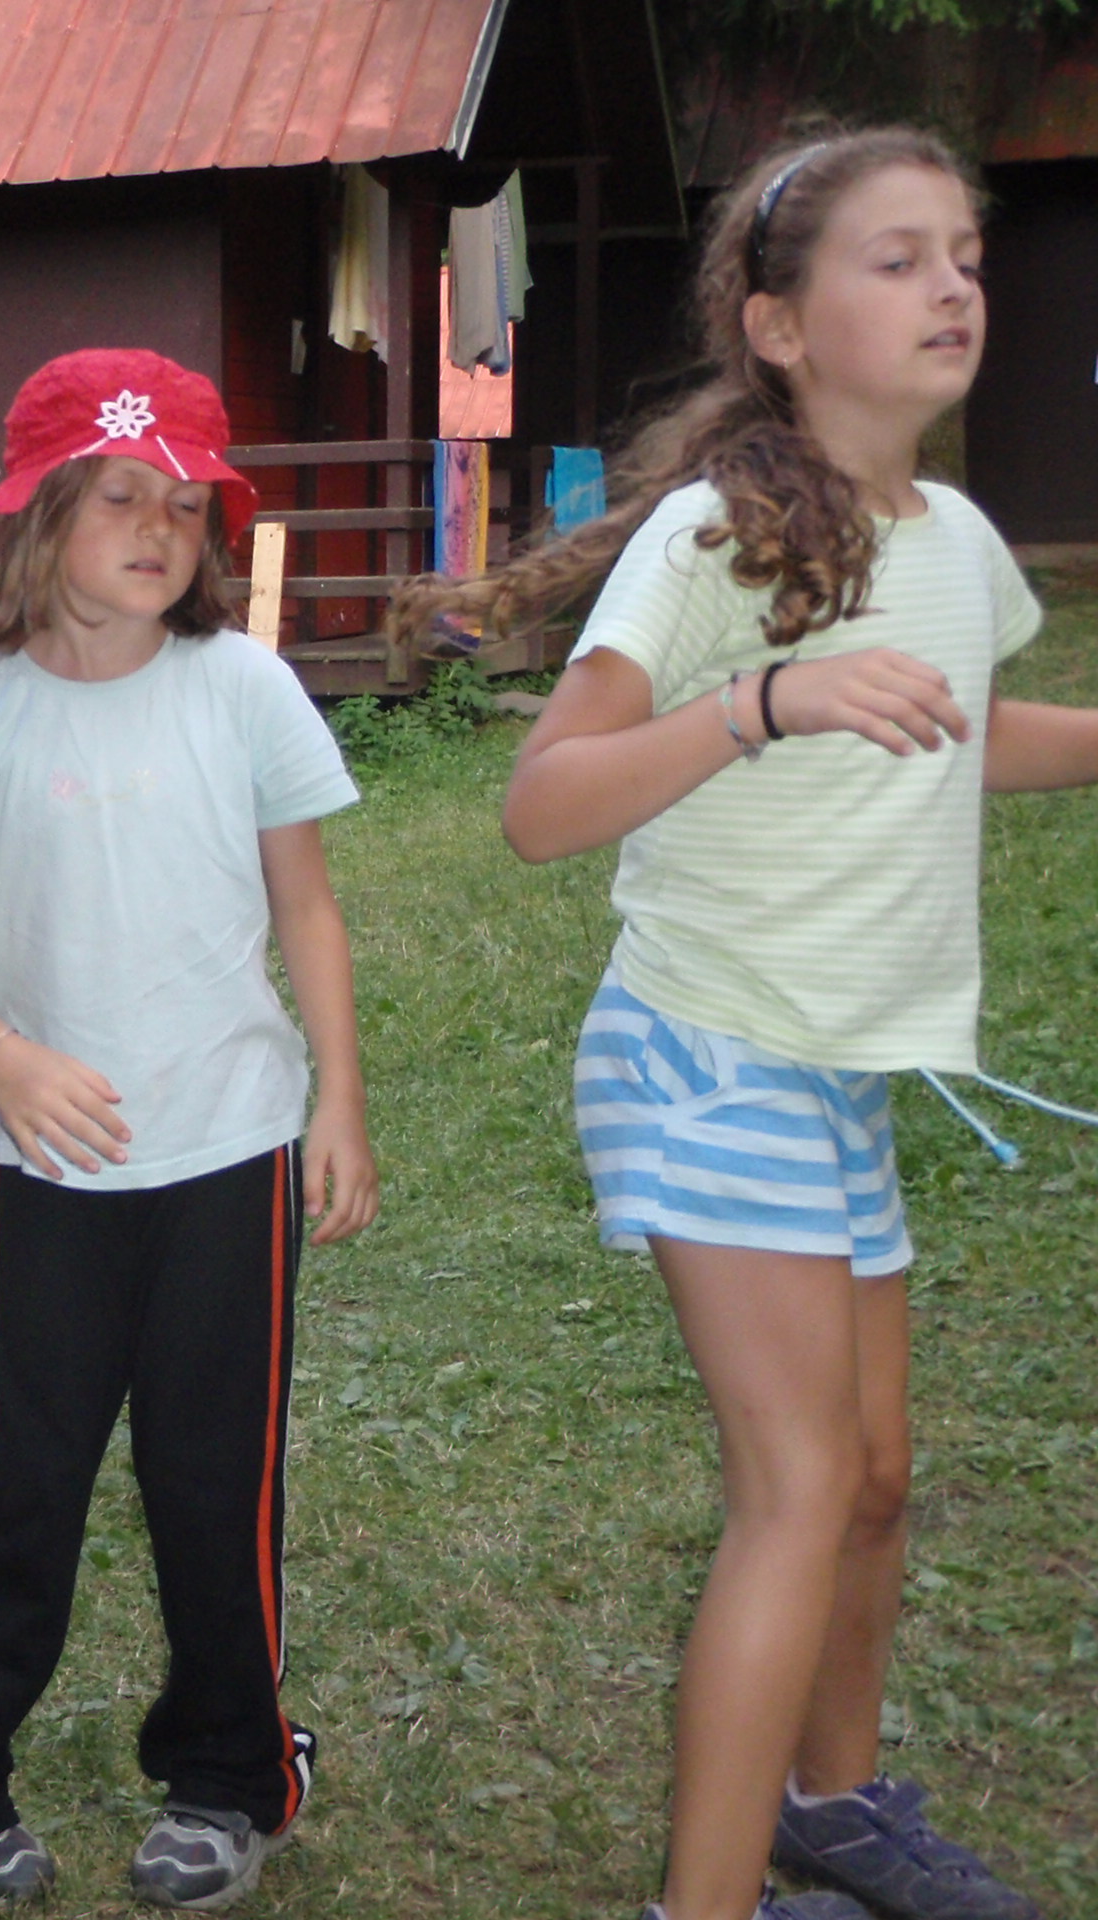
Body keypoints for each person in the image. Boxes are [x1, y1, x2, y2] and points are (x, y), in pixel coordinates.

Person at [413, 128, 1094, 1920]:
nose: (953, 287)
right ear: (780, 325)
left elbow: (959, 731)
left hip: (836, 1073)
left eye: (965, 255)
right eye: (898, 258)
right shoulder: (717, 539)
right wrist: (770, 702)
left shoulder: (951, 539)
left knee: (874, 1482)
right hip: (707, 1053)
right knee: (799, 1490)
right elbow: (544, 803)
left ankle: (837, 1810)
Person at [0, 347, 380, 1908]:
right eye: (118, 498)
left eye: (184, 504)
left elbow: (309, 908)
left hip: (233, 1149)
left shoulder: (244, 688)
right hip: (59, 1167)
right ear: (35, 517)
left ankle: (230, 1776)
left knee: (216, 1481)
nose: (159, 529)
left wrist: (339, 1099)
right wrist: (3, 1059)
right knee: (38, 1473)